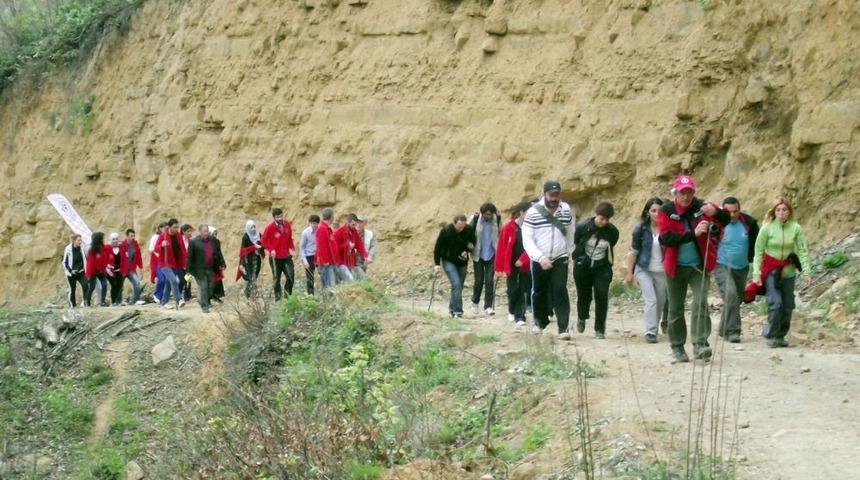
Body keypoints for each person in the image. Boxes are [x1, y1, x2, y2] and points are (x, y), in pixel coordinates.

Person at [658, 175, 730, 362]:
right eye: (682, 192)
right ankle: (677, 347)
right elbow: (667, 238)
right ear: (675, 193)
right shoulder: (666, 210)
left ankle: (700, 344)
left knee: (700, 302)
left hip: (699, 266)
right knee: (675, 307)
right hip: (675, 267)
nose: (686, 196)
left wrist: (715, 212)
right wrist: (693, 233)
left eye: (689, 192)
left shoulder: (702, 206)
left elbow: (726, 218)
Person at [752, 197, 811, 348]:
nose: (781, 213)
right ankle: (771, 334)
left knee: (788, 305)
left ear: (789, 212)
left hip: (788, 271)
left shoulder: (796, 228)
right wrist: (756, 274)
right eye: (778, 210)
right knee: (776, 303)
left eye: (784, 210)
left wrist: (806, 272)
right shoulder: (767, 228)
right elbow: (758, 252)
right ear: (774, 212)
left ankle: (780, 335)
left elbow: (803, 251)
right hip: (771, 271)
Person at [522, 181, 576, 338]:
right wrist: (540, 258)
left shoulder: (565, 210)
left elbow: (570, 231)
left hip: (560, 256)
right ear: (544, 194)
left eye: (557, 195)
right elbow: (527, 239)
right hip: (540, 258)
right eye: (551, 195)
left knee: (560, 290)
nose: (554, 198)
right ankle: (539, 322)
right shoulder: (533, 213)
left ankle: (563, 328)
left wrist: (568, 251)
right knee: (539, 291)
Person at [714, 197, 759, 343]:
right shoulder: (717, 224)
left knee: (736, 300)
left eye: (735, 211)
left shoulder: (749, 223)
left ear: (740, 209)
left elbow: (758, 244)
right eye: (729, 212)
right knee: (731, 295)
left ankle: (723, 328)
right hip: (721, 265)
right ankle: (734, 331)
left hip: (742, 267)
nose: (732, 215)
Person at [572, 202, 619, 339]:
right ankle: (582, 316)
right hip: (583, 266)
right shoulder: (582, 226)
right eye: (601, 218)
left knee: (602, 295)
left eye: (607, 219)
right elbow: (576, 241)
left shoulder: (612, 231)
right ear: (596, 215)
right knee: (584, 295)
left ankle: (600, 328)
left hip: (602, 267)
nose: (604, 222)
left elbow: (612, 243)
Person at [625, 197, 667, 344]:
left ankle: (654, 327)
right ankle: (650, 331)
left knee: (660, 301)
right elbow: (634, 251)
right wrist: (629, 273)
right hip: (644, 269)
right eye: (653, 210)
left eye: (659, 211)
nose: (656, 214)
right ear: (647, 212)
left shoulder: (668, 228)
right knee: (651, 300)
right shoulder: (640, 229)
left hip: (662, 270)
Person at [495, 201, 532, 326]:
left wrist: (523, 259)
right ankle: (511, 309)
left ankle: (520, 316)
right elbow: (501, 248)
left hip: (524, 264)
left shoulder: (531, 227)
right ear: (521, 213)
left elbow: (534, 246)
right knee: (512, 290)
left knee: (522, 289)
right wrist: (499, 268)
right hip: (510, 264)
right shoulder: (508, 227)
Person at [433, 214, 476, 318]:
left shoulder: (468, 229)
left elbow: (473, 241)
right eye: (459, 227)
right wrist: (437, 264)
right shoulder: (446, 231)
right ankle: (458, 311)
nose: (461, 229)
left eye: (463, 227)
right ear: (454, 223)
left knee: (459, 286)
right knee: (456, 284)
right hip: (448, 260)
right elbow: (437, 248)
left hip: (462, 261)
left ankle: (452, 309)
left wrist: (468, 249)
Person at [186, 224, 226, 313]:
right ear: (200, 232)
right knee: (203, 287)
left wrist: (222, 263)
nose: (206, 233)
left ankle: (205, 300)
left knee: (211, 287)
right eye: (204, 231)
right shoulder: (194, 242)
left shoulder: (212, 240)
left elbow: (217, 253)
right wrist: (187, 273)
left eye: (207, 231)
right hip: (198, 270)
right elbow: (189, 258)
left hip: (210, 268)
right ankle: (204, 306)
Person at [469, 203, 500, 316]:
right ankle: (475, 301)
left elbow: (501, 232)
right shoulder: (475, 218)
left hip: (491, 253)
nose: (488, 216)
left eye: (490, 214)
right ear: (482, 213)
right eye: (486, 214)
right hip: (478, 254)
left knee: (489, 280)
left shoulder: (497, 219)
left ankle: (488, 306)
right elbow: (467, 232)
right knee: (479, 280)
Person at [262, 208, 296, 300]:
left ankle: (287, 297)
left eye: (281, 216)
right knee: (276, 279)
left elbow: (289, 238)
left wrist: (292, 248)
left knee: (291, 276)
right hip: (275, 258)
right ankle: (278, 299)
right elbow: (263, 241)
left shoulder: (287, 225)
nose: (280, 218)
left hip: (286, 256)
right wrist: (271, 249)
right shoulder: (270, 228)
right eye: (278, 217)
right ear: (274, 217)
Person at [157, 218, 187, 310]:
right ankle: (179, 299)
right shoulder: (163, 236)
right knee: (174, 281)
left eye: (177, 227)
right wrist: (162, 245)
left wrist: (185, 261)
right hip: (165, 263)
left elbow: (182, 249)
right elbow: (156, 248)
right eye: (174, 227)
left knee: (168, 283)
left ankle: (164, 302)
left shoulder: (178, 236)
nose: (176, 229)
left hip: (175, 263)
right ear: (169, 227)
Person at [334, 214, 368, 282]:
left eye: (355, 224)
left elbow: (359, 244)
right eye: (353, 224)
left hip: (350, 262)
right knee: (350, 280)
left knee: (354, 279)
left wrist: (365, 256)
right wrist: (347, 246)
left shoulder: (354, 231)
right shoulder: (339, 232)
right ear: (348, 222)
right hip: (340, 263)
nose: (354, 226)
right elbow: (334, 247)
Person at [238, 219, 265, 298]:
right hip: (248, 261)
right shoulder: (246, 237)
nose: (253, 229)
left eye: (254, 227)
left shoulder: (259, 235)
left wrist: (260, 247)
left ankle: (249, 292)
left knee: (255, 276)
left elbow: (264, 245)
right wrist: (241, 263)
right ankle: (251, 294)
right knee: (250, 277)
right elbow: (243, 250)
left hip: (257, 259)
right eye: (251, 227)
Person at [84, 232, 112, 307]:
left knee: (104, 285)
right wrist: (89, 274)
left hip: (101, 270)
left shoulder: (103, 248)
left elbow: (105, 257)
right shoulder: (91, 250)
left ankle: (102, 301)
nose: (104, 239)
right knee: (92, 287)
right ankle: (87, 301)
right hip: (93, 271)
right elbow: (90, 263)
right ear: (99, 239)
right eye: (102, 238)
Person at [315, 208, 338, 291]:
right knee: (329, 286)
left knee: (329, 285)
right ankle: (327, 299)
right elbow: (321, 246)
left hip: (330, 262)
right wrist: (325, 261)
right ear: (331, 217)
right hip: (326, 264)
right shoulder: (322, 229)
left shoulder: (326, 228)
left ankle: (327, 298)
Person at [119, 229, 145, 305]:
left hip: (131, 268)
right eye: (131, 236)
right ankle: (118, 301)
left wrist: (140, 266)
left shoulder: (135, 244)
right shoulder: (122, 245)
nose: (133, 237)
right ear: (127, 236)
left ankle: (137, 299)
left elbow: (138, 256)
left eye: (134, 236)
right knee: (119, 285)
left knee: (137, 282)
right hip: (123, 269)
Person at [61, 234, 88, 307]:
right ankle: (72, 305)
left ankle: (85, 302)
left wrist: (85, 269)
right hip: (71, 273)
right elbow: (64, 262)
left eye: (81, 240)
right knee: (72, 289)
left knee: (85, 284)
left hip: (80, 271)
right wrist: (70, 271)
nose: (80, 242)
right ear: (74, 241)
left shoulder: (82, 248)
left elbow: (85, 259)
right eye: (78, 240)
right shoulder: (68, 249)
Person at [300, 215, 320, 294]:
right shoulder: (305, 233)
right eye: (312, 223)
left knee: (323, 274)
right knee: (310, 277)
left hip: (318, 255)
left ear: (318, 223)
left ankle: (325, 293)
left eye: (315, 223)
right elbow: (302, 247)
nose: (313, 225)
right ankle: (310, 295)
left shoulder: (320, 231)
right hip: (309, 256)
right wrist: (304, 260)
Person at [148, 222, 167, 303]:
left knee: (185, 280)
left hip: (166, 262)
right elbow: (151, 249)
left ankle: (187, 296)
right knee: (162, 279)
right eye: (165, 228)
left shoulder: (168, 237)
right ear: (160, 228)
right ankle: (157, 295)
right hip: (157, 261)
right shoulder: (155, 237)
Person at [179, 224, 195, 303]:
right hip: (180, 265)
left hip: (189, 265)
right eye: (188, 231)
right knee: (182, 281)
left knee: (188, 281)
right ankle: (178, 296)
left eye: (191, 231)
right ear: (183, 232)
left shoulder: (191, 242)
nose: (190, 233)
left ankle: (187, 297)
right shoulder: (179, 241)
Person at [210, 226, 225, 302]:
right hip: (210, 264)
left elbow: (219, 253)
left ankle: (217, 295)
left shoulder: (217, 241)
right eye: (214, 233)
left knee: (218, 280)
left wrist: (222, 263)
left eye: (216, 233)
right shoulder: (207, 242)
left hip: (217, 263)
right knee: (212, 281)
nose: (215, 235)